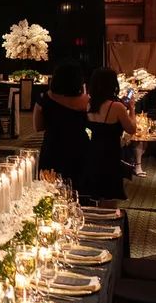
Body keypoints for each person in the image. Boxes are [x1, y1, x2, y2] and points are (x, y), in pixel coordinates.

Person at [83, 67, 138, 203]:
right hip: (110, 154)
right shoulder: (116, 106)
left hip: (92, 151)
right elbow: (131, 129)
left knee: (95, 193)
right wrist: (132, 109)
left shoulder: (88, 104)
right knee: (110, 197)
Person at [34, 60, 89, 194]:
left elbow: (38, 126)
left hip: (53, 147)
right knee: (77, 189)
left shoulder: (45, 99)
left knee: (50, 189)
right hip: (79, 147)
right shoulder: (86, 101)